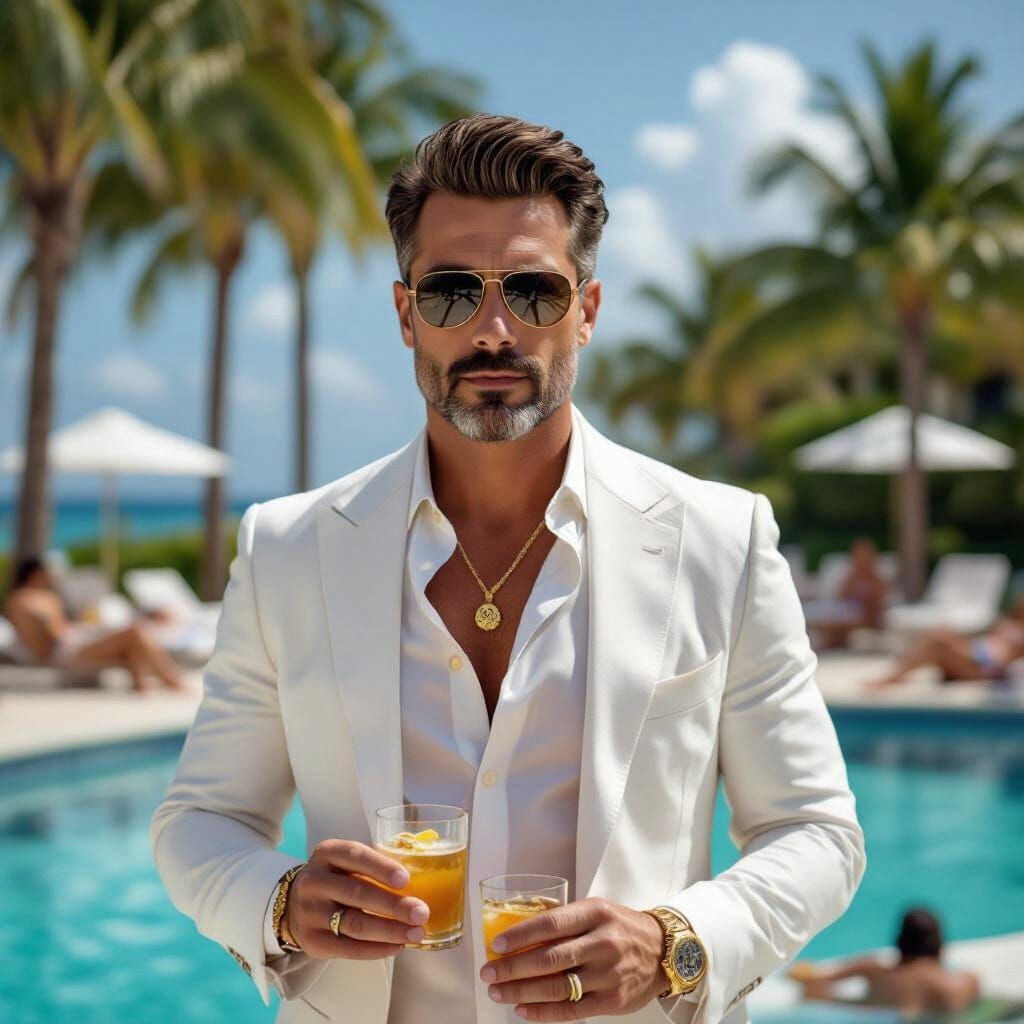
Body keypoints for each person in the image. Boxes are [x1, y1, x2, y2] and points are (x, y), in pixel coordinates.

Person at [151, 113, 866, 1024]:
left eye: (533, 291)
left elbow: (817, 833)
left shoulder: (720, 541)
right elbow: (201, 823)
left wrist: (673, 942)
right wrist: (281, 904)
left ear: (588, 311)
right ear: (407, 315)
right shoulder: (288, 548)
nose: (494, 330)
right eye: (452, 292)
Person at [2, 554, 188, 694]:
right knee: (134, 633)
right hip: (60, 652)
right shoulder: (20, 600)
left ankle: (142, 686)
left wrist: (82, 624)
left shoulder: (48, 597)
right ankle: (173, 681)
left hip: (71, 642)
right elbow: (50, 633)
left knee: (134, 638)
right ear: (36, 574)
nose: (52, 576)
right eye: (48, 571)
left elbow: (62, 625)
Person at [788, 907, 981, 1016]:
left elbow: (812, 980)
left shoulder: (872, 970)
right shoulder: (965, 982)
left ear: (900, 941)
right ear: (940, 943)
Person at [862, 595, 1024, 691]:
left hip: (983, 666)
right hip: (974, 654)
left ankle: (892, 677)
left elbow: (1006, 659)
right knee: (938, 634)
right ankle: (898, 673)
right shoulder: (1008, 623)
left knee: (940, 642)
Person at [810, 538, 889, 650]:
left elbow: (878, 605)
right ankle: (829, 644)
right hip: (850, 615)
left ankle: (827, 645)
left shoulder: (876, 579)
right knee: (831, 622)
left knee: (833, 626)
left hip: (868, 619)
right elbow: (840, 597)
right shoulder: (851, 577)